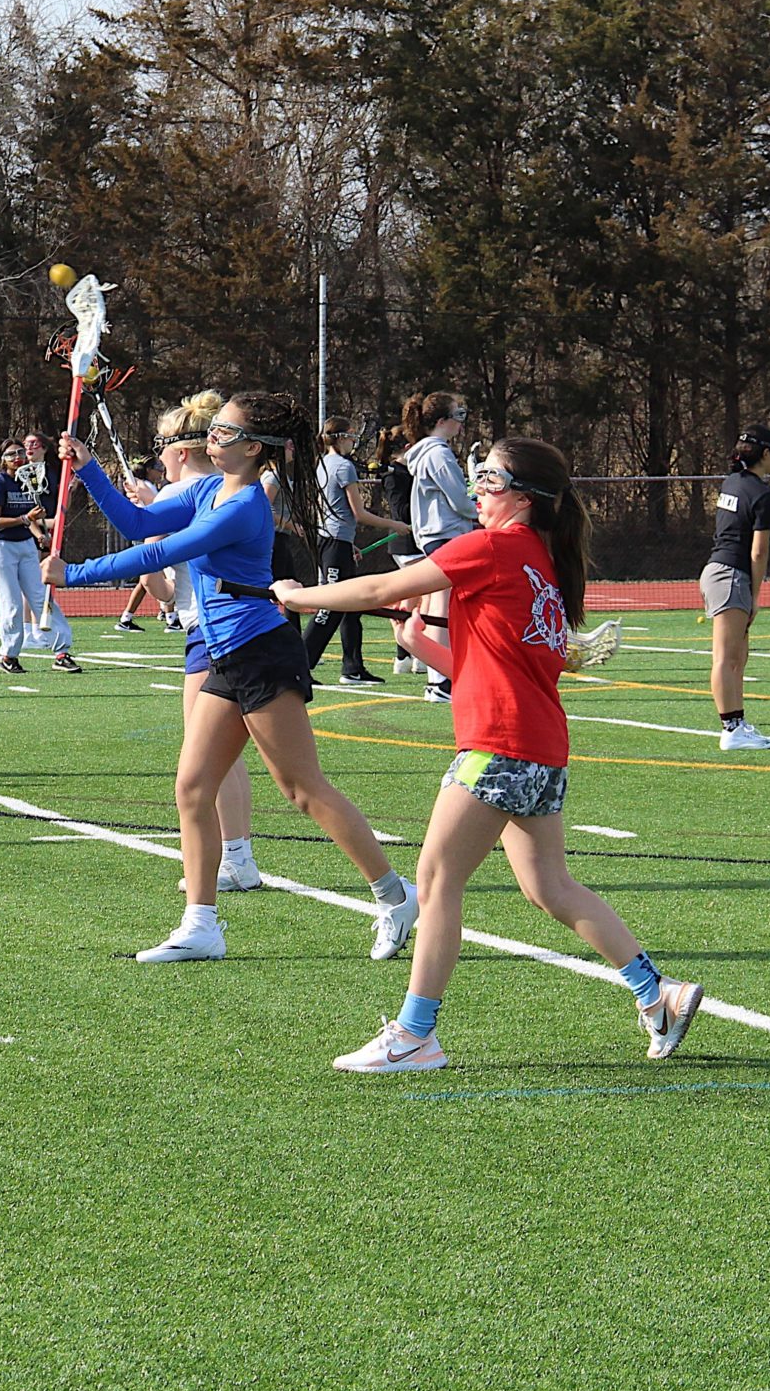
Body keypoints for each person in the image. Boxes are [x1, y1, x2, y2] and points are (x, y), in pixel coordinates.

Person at [273, 437, 703, 1071]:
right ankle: (655, 993)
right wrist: (421, 645)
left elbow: (377, 590)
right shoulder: (540, 560)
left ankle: (416, 1034)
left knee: (436, 880)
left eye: (489, 478)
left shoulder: (492, 547)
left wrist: (298, 596)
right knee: (549, 887)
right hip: (537, 744)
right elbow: (500, 665)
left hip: (501, 744)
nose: (475, 488)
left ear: (522, 496)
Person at [47, 390, 419, 964]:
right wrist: (89, 467)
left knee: (303, 790)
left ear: (252, 447)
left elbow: (159, 552)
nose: (209, 439)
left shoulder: (243, 505)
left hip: (261, 653)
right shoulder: (204, 488)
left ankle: (395, 897)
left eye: (223, 432)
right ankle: (201, 925)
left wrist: (75, 573)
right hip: (222, 656)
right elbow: (139, 521)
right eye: (211, 430)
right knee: (192, 789)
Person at [142, 394, 266, 894]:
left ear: (179, 451)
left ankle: (233, 860)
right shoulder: (196, 491)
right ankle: (239, 856)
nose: (158, 458)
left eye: (161, 448)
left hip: (214, 634)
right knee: (222, 754)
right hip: (208, 629)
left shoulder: (184, 494)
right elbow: (170, 592)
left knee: (205, 761)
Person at [302, 416, 405, 684]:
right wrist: (395, 525)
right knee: (332, 607)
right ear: (339, 438)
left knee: (351, 606)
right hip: (334, 541)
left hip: (337, 541)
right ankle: (299, 665)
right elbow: (358, 514)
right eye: (351, 437)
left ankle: (353, 667)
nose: (353, 443)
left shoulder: (323, 463)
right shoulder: (342, 466)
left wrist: (350, 544)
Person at [703, 424, 770, 750]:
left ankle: (738, 723)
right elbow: (759, 551)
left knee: (738, 657)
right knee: (726, 657)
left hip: (718, 571)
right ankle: (730, 729)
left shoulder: (733, 482)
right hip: (732, 575)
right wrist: (755, 594)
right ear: (765, 454)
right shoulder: (761, 494)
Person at [404, 391, 479, 702]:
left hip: (437, 536)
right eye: (458, 416)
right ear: (443, 421)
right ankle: (440, 681)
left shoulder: (431, 453)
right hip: (445, 536)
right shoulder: (438, 453)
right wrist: (482, 504)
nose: (461, 423)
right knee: (444, 608)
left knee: (439, 606)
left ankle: (439, 679)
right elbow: (460, 502)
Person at [0, 437, 53, 675]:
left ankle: (61, 649)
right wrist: (26, 520)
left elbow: (28, 517)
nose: (18, 457)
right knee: (11, 602)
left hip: (24, 543)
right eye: (11, 454)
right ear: (3, 460)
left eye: (20, 452)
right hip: (1, 545)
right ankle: (9, 655)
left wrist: (39, 534)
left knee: (39, 595)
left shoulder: (27, 481)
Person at [375, 425, 419, 674]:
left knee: (416, 602)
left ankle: (410, 655)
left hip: (416, 543)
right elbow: (400, 511)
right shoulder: (395, 475)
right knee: (410, 603)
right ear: (407, 447)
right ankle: (403, 655)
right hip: (406, 544)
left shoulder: (408, 472)